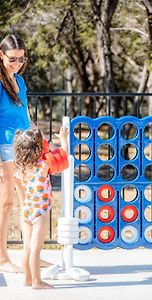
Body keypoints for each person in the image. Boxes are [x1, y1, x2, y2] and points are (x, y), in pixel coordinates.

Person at [14, 127, 68, 289]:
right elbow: (63, 157)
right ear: (39, 149)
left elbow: (20, 189)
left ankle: (27, 279)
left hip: (27, 211)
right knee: (36, 250)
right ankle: (37, 282)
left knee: (27, 248)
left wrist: (25, 206)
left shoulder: (20, 169)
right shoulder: (44, 165)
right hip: (40, 212)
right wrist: (63, 138)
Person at [0, 33, 31, 273]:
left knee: (28, 203)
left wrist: (36, 140)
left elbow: (25, 117)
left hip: (23, 148)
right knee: (6, 203)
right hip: (4, 148)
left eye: (21, 59)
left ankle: (30, 256)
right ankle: (2, 258)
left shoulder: (19, 81)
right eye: (12, 58)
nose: (17, 63)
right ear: (1, 54)